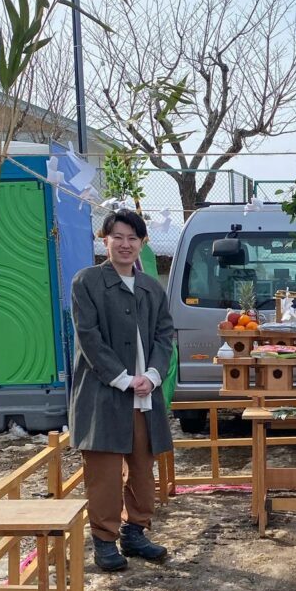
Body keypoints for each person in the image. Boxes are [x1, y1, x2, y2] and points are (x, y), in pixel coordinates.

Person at [70, 209, 175, 572]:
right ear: (105, 241)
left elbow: (164, 335)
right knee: (104, 473)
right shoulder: (87, 282)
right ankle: (104, 540)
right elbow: (89, 337)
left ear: (142, 243)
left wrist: (152, 375)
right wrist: (123, 378)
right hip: (103, 394)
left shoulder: (151, 287)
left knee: (143, 468)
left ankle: (135, 532)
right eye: (118, 237)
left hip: (145, 395)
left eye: (133, 238)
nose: (125, 244)